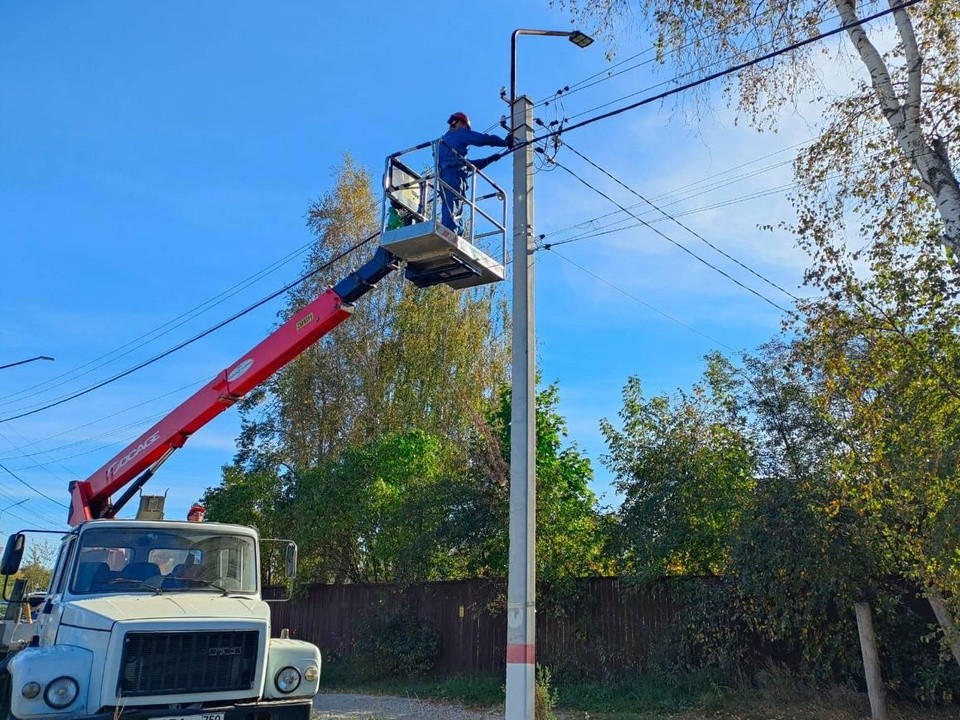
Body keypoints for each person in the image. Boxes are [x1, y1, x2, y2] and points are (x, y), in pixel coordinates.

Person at [437, 112, 512, 234]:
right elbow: (482, 139)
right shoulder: (460, 133)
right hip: (454, 178)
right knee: (453, 208)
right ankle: (450, 233)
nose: (467, 130)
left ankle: (453, 233)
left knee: (452, 208)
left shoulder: (444, 142)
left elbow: (467, 165)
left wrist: (489, 160)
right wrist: (505, 143)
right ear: (461, 123)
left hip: (445, 177)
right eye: (467, 127)